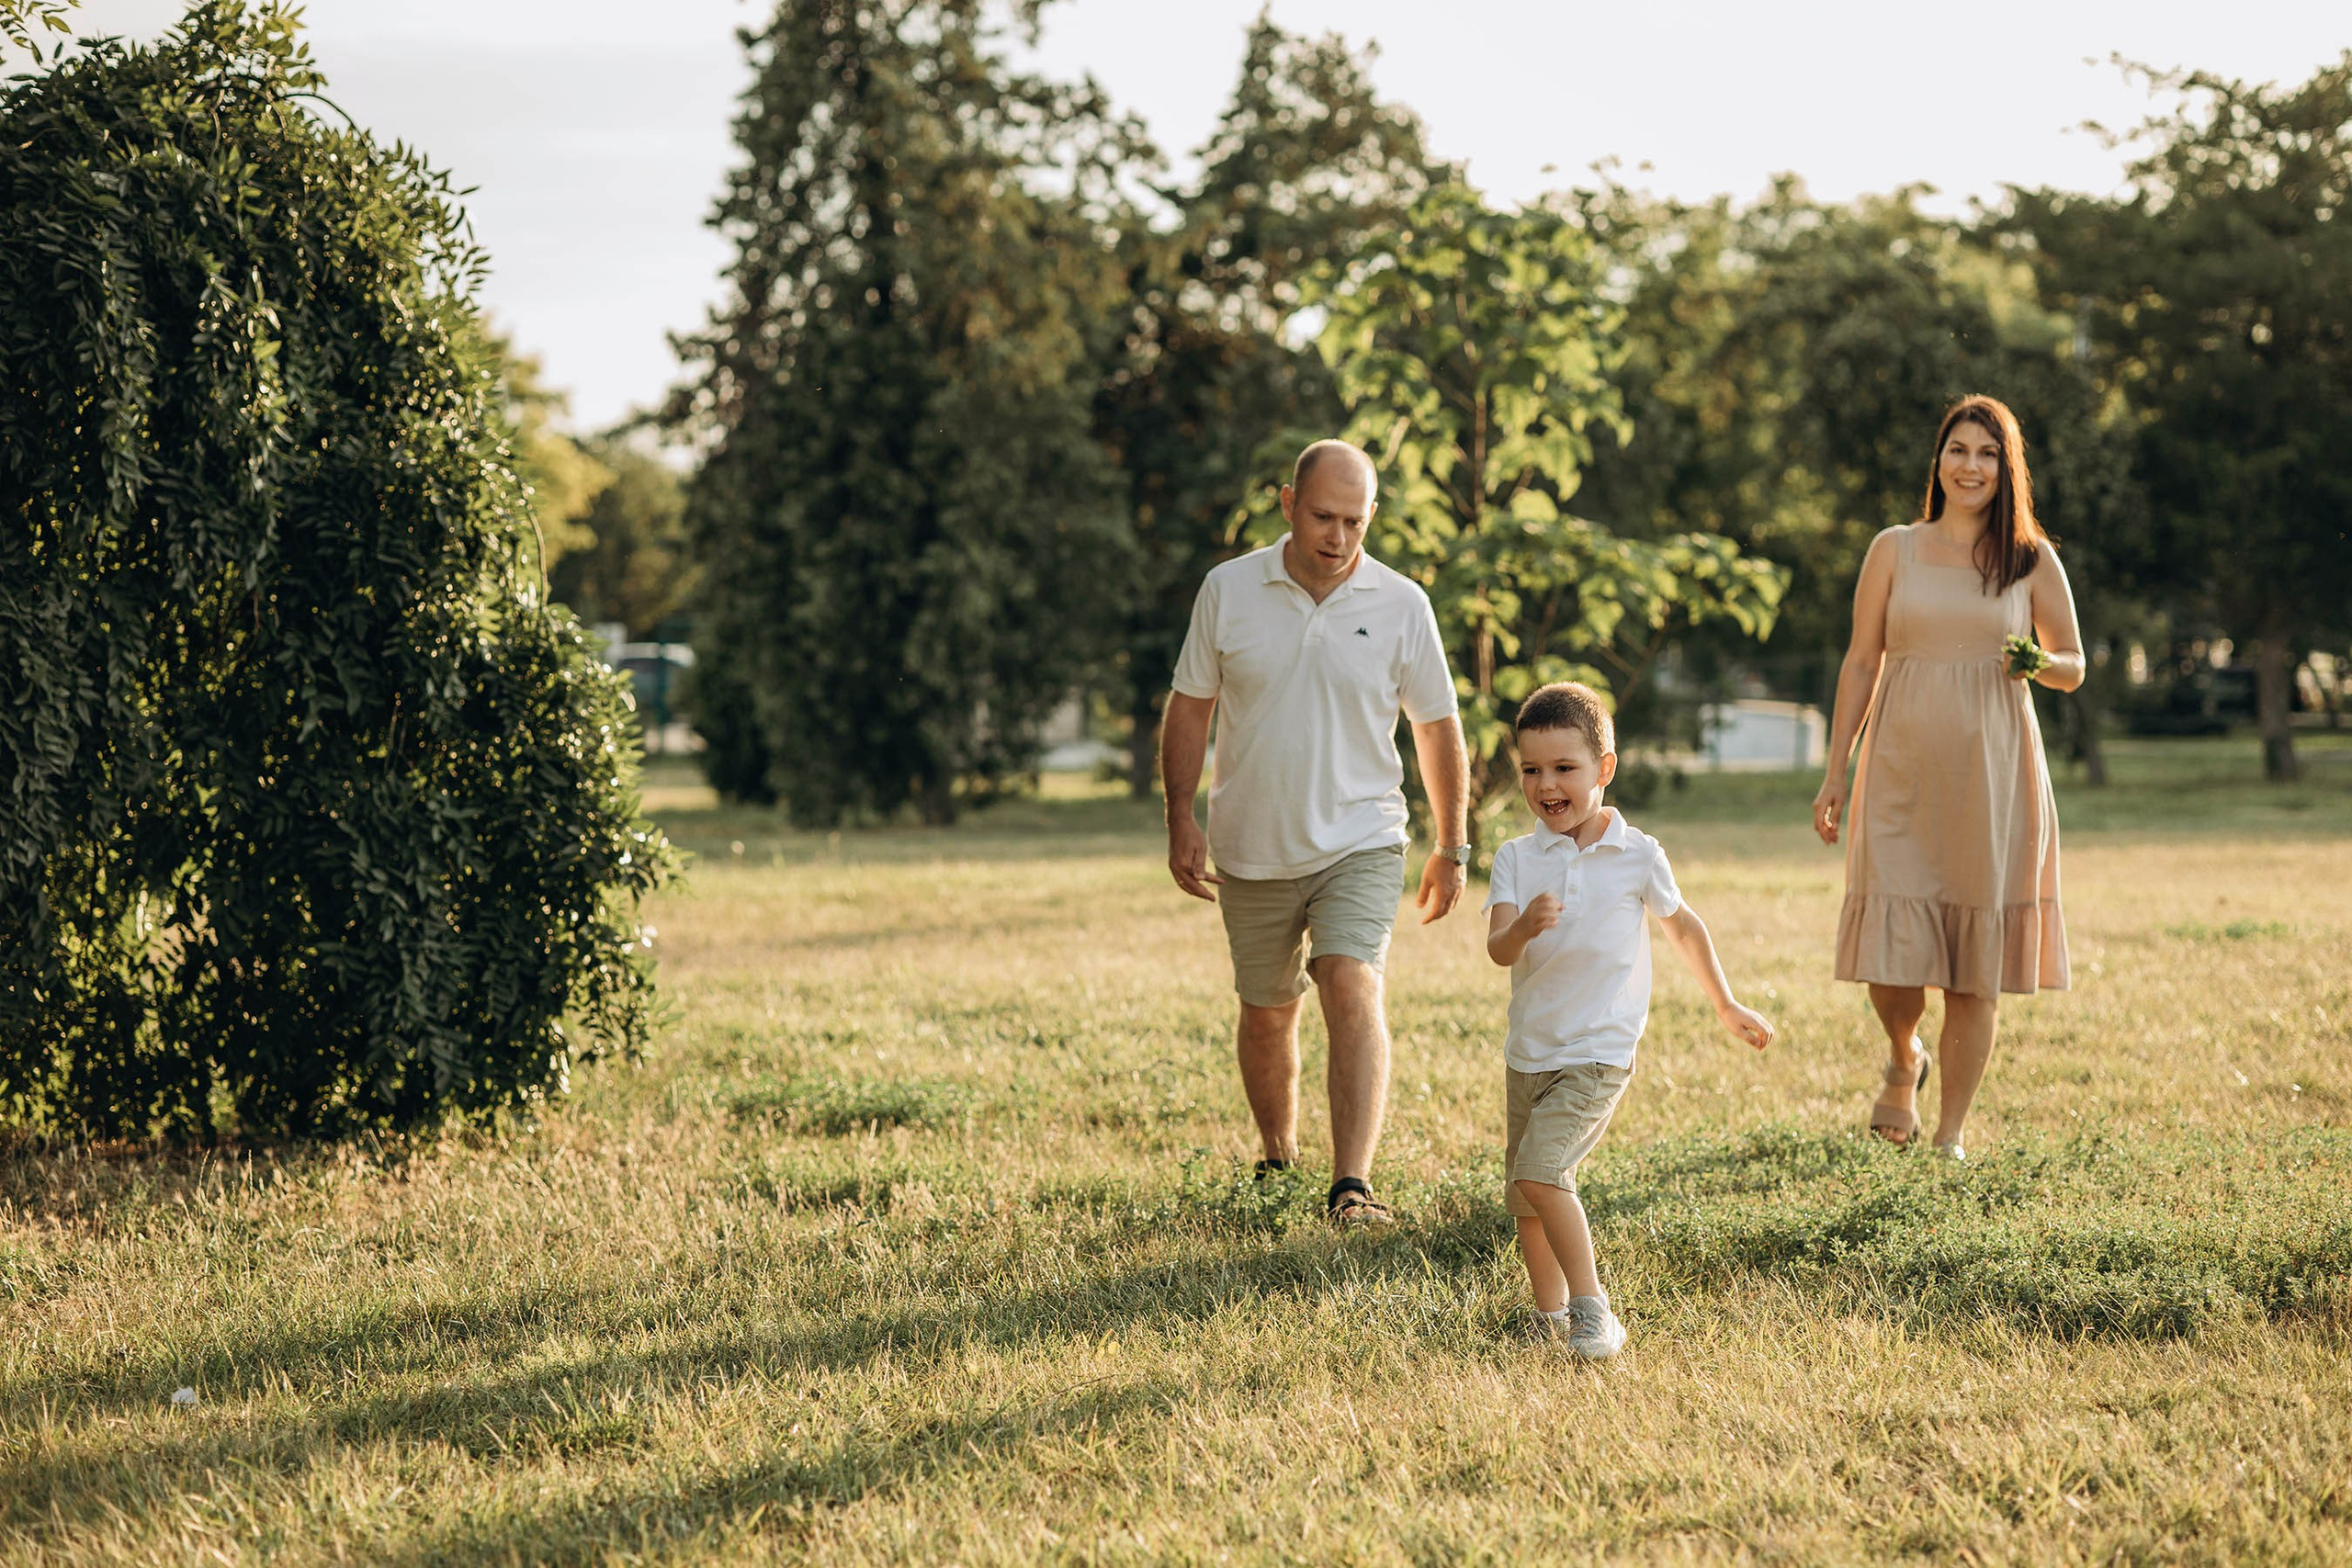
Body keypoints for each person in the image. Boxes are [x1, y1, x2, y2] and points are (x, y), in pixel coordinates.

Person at [1162, 439, 1470, 1227]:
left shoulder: (1403, 603)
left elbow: (1436, 727)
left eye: (1355, 522)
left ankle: (1352, 1184)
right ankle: (1275, 1153)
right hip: (1252, 841)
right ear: (1288, 504)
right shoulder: (1228, 590)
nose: (1338, 537)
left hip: (1361, 837)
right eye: (1324, 517)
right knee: (1267, 1008)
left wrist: (1452, 843)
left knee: (1350, 978)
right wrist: (1179, 816)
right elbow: (1190, 707)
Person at [1813, 394, 2085, 1156]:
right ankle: (1904, 1055)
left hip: (1992, 777)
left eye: (1988, 454)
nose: (1971, 465)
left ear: (2007, 469)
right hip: (1897, 769)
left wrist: (2038, 661)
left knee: (1975, 963)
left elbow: (2075, 663)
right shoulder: (1893, 548)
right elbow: (1862, 660)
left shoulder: (2030, 558)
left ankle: (1950, 1135)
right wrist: (1837, 771)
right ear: (1939, 460)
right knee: (1890, 954)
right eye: (1958, 449)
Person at [1486, 682, 1773, 1358]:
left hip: (1598, 1050)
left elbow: (1683, 928)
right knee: (1526, 1195)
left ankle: (1594, 1311)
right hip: (1529, 1052)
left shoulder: (1637, 853)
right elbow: (1499, 948)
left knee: (1542, 1171)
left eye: (1564, 768)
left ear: (1604, 768)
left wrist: (1725, 1002)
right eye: (1531, 769)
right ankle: (1549, 1315)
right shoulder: (1516, 859)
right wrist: (1524, 924)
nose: (1546, 784)